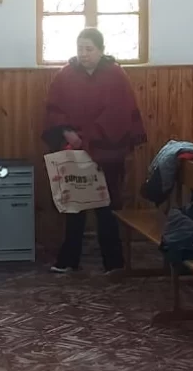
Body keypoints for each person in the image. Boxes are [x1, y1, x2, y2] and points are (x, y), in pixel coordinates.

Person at [43, 27, 146, 275]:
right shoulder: (65, 75)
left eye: (89, 49)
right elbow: (55, 109)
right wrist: (67, 132)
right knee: (74, 207)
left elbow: (119, 113)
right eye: (80, 49)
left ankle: (113, 261)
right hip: (74, 149)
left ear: (101, 50)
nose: (84, 54)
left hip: (107, 150)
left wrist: (90, 137)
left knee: (107, 206)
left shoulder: (115, 75)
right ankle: (69, 259)